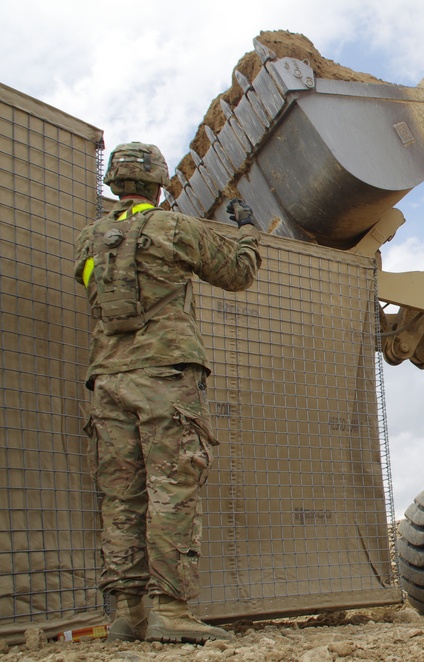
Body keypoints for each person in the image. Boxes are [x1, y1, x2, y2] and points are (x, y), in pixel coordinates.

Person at [73, 142, 262, 644]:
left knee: (121, 499)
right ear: (159, 184)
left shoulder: (90, 240)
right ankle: (170, 610)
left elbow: (95, 289)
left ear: (116, 184)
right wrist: (247, 231)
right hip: (165, 376)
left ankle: (128, 613)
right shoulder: (174, 228)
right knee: (172, 489)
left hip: (107, 380)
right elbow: (238, 274)